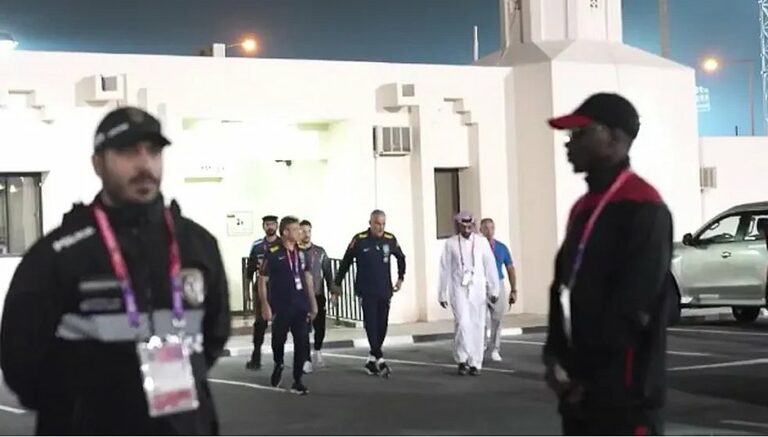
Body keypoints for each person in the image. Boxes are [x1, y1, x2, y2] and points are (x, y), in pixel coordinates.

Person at [0, 107, 231, 435]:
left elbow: (214, 333)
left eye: (153, 152)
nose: (144, 164)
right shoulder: (59, 254)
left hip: (183, 426)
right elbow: (21, 360)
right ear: (98, 163)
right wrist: (79, 407)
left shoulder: (196, 244)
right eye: (127, 151)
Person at [543, 93, 673, 435]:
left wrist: (584, 374)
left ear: (614, 137)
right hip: (580, 394)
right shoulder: (582, 208)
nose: (569, 144)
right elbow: (562, 288)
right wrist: (555, 355)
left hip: (625, 398)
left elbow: (633, 307)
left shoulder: (644, 207)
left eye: (580, 133)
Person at [335, 209, 406, 377]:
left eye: (383, 224)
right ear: (370, 223)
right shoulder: (359, 240)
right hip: (366, 290)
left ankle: (371, 359)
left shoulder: (390, 239)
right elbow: (346, 262)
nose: (380, 227)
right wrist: (337, 284)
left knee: (382, 325)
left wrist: (400, 278)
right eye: (377, 224)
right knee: (371, 324)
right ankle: (379, 358)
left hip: (384, 289)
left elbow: (401, 258)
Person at [259, 216, 318, 395]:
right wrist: (265, 305)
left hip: (300, 305)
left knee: (301, 341)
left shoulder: (301, 252)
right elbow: (262, 280)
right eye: (296, 229)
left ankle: (297, 380)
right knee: (278, 340)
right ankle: (278, 362)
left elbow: (307, 278)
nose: (300, 232)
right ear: (285, 232)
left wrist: (313, 304)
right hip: (281, 305)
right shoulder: (273, 252)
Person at [438, 211, 500, 376]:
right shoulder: (451, 243)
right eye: (463, 225)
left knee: (477, 324)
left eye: (469, 225)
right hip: (458, 288)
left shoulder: (481, 242)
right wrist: (442, 292)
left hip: (477, 288)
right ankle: (462, 358)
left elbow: (490, 265)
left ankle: (474, 362)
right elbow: (445, 268)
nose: (467, 228)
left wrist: (494, 289)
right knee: (463, 323)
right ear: (458, 225)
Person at [298, 220, 338, 373]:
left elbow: (328, 274)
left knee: (319, 327)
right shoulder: (295, 252)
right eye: (302, 231)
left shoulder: (320, 252)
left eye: (308, 231)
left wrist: (333, 292)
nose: (306, 234)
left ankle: (318, 351)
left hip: (318, 294)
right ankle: (305, 358)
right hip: (301, 296)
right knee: (303, 329)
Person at [479, 217, 517, 362]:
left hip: (498, 283)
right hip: (481, 284)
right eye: (486, 228)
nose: (489, 231)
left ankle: (495, 348)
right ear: (481, 230)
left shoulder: (501, 248)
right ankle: (480, 346)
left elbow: (510, 268)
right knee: (480, 318)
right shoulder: (477, 247)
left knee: (497, 318)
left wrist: (514, 289)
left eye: (491, 228)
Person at [245, 215, 280, 371]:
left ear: (277, 225)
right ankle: (256, 356)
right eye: (267, 224)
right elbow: (249, 271)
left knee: (281, 324)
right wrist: (247, 291)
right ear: (263, 226)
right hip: (261, 288)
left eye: (272, 224)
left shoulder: (283, 245)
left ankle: (278, 359)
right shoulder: (257, 246)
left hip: (279, 288)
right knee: (260, 323)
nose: (270, 227)